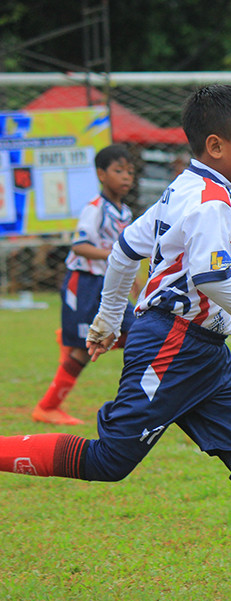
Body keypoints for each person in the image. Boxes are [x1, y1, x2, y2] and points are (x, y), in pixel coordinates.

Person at [0, 83, 231, 599]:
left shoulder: (186, 186)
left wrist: (108, 320)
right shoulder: (208, 200)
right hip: (173, 345)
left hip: (203, 351)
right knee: (108, 461)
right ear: (217, 146)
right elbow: (214, 280)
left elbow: (123, 253)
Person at [32, 144, 138, 425]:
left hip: (108, 286)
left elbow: (126, 254)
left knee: (138, 332)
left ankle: (68, 341)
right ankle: (47, 407)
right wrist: (114, 255)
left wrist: (136, 287)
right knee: (86, 348)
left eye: (130, 171)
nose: (126, 177)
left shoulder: (124, 213)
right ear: (101, 174)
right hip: (85, 285)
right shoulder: (94, 209)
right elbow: (79, 246)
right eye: (119, 171)